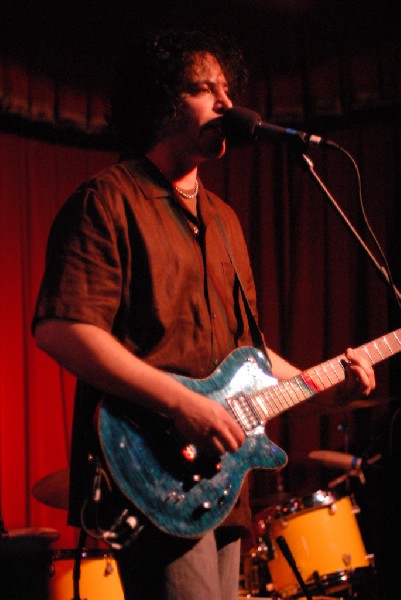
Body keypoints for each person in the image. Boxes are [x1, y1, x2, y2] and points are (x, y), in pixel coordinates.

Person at [32, 29, 376, 600]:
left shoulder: (224, 221)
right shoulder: (108, 201)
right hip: (150, 470)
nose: (228, 104)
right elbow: (62, 329)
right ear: (162, 101)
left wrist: (325, 388)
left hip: (222, 479)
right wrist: (180, 402)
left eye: (228, 89)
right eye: (204, 89)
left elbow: (252, 358)